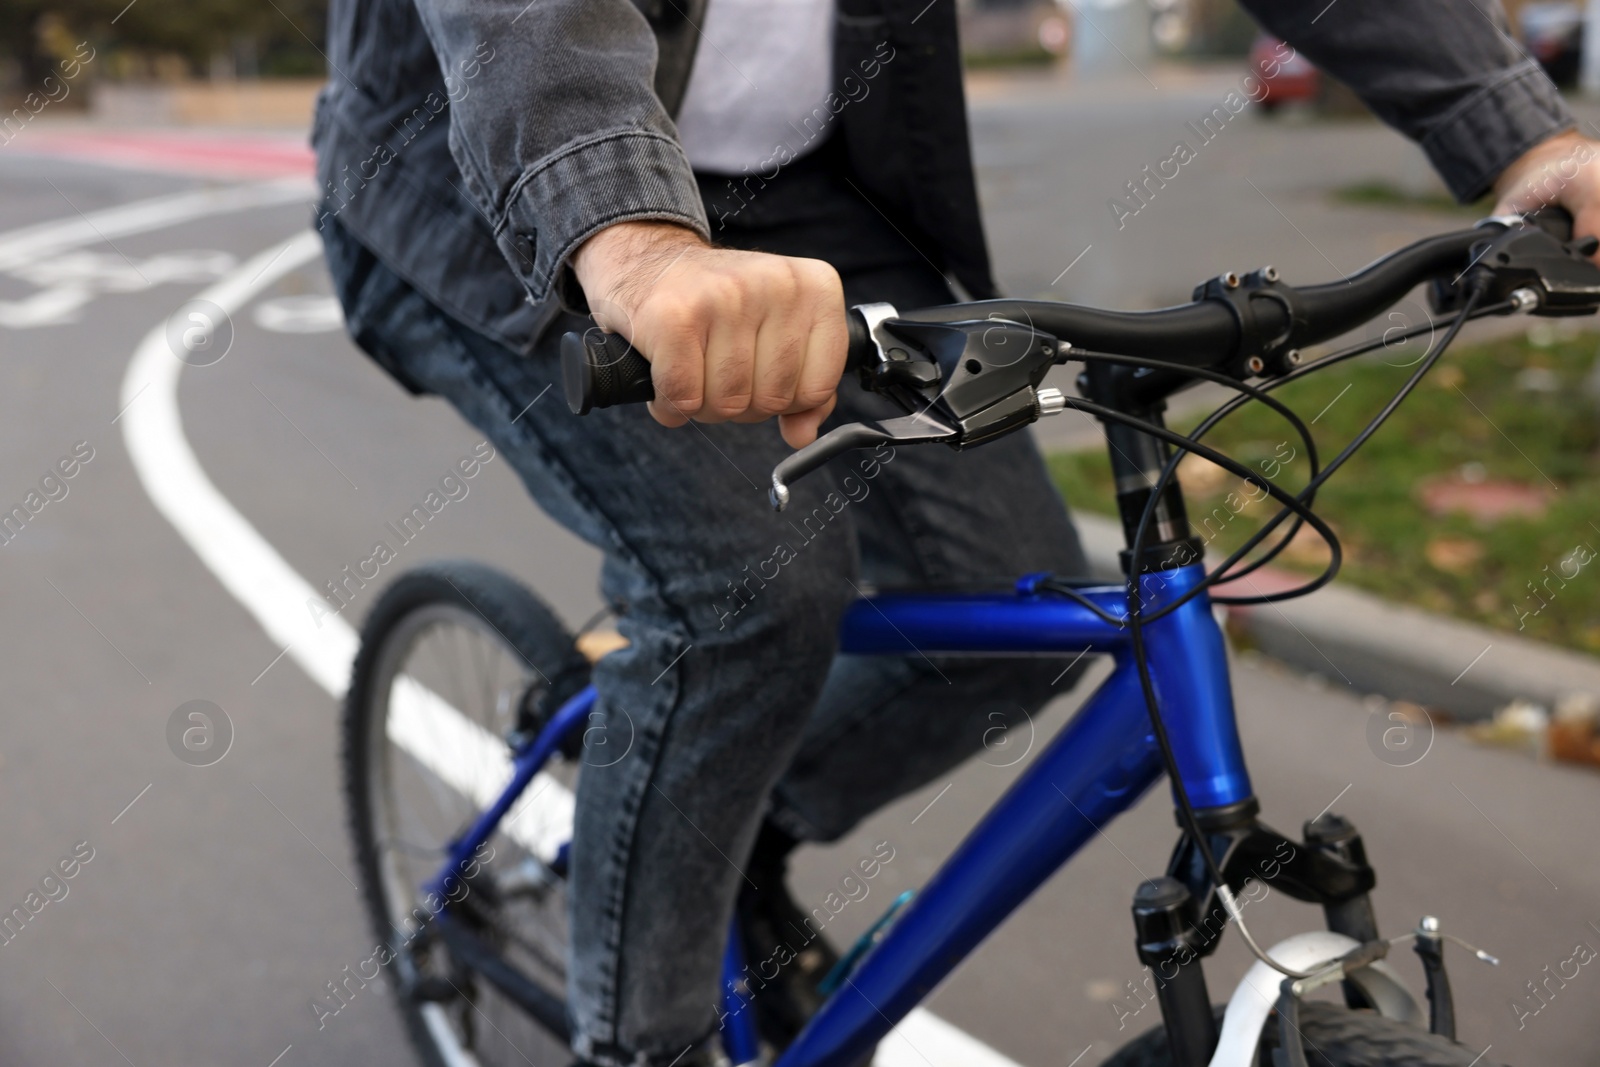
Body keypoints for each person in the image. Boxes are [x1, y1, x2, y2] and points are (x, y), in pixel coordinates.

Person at [312, 1, 1600, 1063]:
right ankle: (640, 1041)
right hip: (481, 192)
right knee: (743, 599)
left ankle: (712, 827)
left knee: (1022, 607)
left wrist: (1516, 134)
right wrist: (631, 236)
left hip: (807, 201)